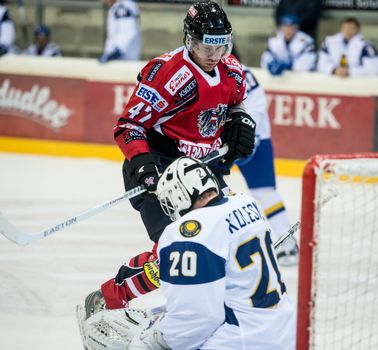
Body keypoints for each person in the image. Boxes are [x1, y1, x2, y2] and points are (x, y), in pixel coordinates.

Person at [83, 0, 256, 320]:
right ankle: (112, 297)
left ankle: (205, 311)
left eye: (222, 46)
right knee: (179, 250)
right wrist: (143, 163)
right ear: (190, 39)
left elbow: (235, 106)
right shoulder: (167, 75)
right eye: (207, 46)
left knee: (218, 245)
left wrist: (241, 122)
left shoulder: (232, 69)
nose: (215, 55)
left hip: (204, 171)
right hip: (161, 167)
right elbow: (129, 126)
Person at [77, 157, 296, 349]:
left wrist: (150, 340)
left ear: (179, 195)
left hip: (239, 340)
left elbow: (196, 321)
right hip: (285, 332)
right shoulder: (246, 203)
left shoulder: (187, 233)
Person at [233, 54, 298, 264]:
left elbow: (256, 107)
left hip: (253, 140)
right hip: (214, 141)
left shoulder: (242, 74)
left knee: (263, 191)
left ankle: (288, 244)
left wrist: (249, 137)